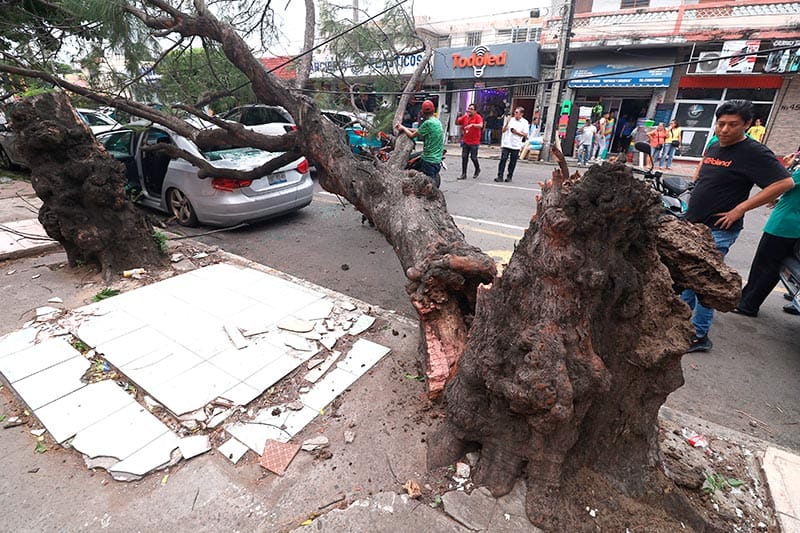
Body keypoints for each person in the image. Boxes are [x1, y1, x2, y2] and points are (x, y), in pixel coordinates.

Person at [682, 100, 794, 353]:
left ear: (746, 124)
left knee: (706, 282)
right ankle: (679, 322)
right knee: (687, 276)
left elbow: (783, 183)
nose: (725, 129)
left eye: (732, 125)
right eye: (721, 124)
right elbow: (705, 166)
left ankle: (700, 335)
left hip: (718, 229)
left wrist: (739, 209)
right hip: (694, 226)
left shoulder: (754, 152)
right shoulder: (714, 145)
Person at [734, 149, 800, 317]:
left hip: (784, 226)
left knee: (764, 267)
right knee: (772, 267)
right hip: (791, 224)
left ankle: (748, 304)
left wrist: (787, 166)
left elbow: (781, 183)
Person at [395, 100, 444, 186]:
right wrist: (405, 127)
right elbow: (419, 131)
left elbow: (412, 135)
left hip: (429, 161)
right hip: (437, 160)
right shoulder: (437, 122)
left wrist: (403, 128)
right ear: (433, 110)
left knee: (428, 187)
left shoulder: (427, 123)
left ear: (422, 112)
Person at [495, 107, 529, 183]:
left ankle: (509, 176)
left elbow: (525, 134)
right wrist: (507, 122)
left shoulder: (525, 122)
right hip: (507, 143)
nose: (515, 114)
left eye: (517, 112)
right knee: (503, 160)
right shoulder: (510, 120)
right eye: (515, 112)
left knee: (512, 162)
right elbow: (503, 130)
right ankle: (500, 176)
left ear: (521, 114)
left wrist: (516, 132)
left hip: (516, 145)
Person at [456, 104, 483, 179]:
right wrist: (458, 116)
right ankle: (464, 174)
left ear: (475, 111)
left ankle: (477, 169)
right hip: (466, 140)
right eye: (469, 108)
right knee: (464, 157)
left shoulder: (478, 117)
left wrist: (472, 125)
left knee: (473, 157)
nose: (469, 110)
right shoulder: (465, 116)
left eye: (471, 109)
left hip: (474, 141)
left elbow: (481, 125)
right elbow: (457, 123)